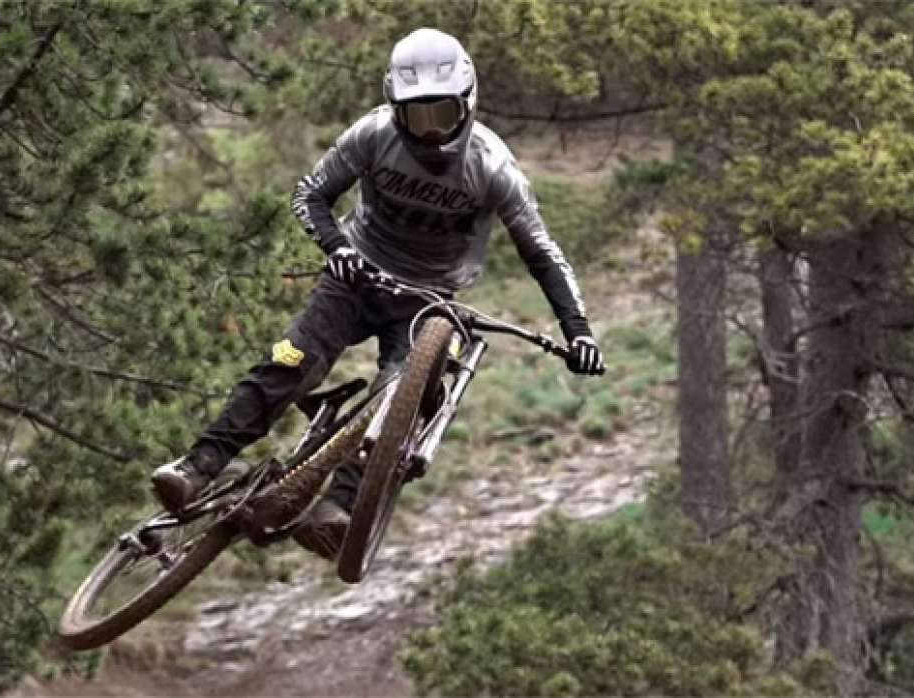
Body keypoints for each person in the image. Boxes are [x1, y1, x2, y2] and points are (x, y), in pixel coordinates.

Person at [152, 27, 605, 559]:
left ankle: (340, 509)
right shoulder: (373, 134)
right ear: (395, 109)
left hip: (430, 299)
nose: (431, 132)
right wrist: (335, 247)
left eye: (443, 115)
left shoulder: (493, 167)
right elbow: (311, 194)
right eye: (417, 117)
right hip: (355, 276)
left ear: (468, 103)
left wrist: (578, 331)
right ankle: (198, 466)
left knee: (410, 397)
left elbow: (542, 254)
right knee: (291, 362)